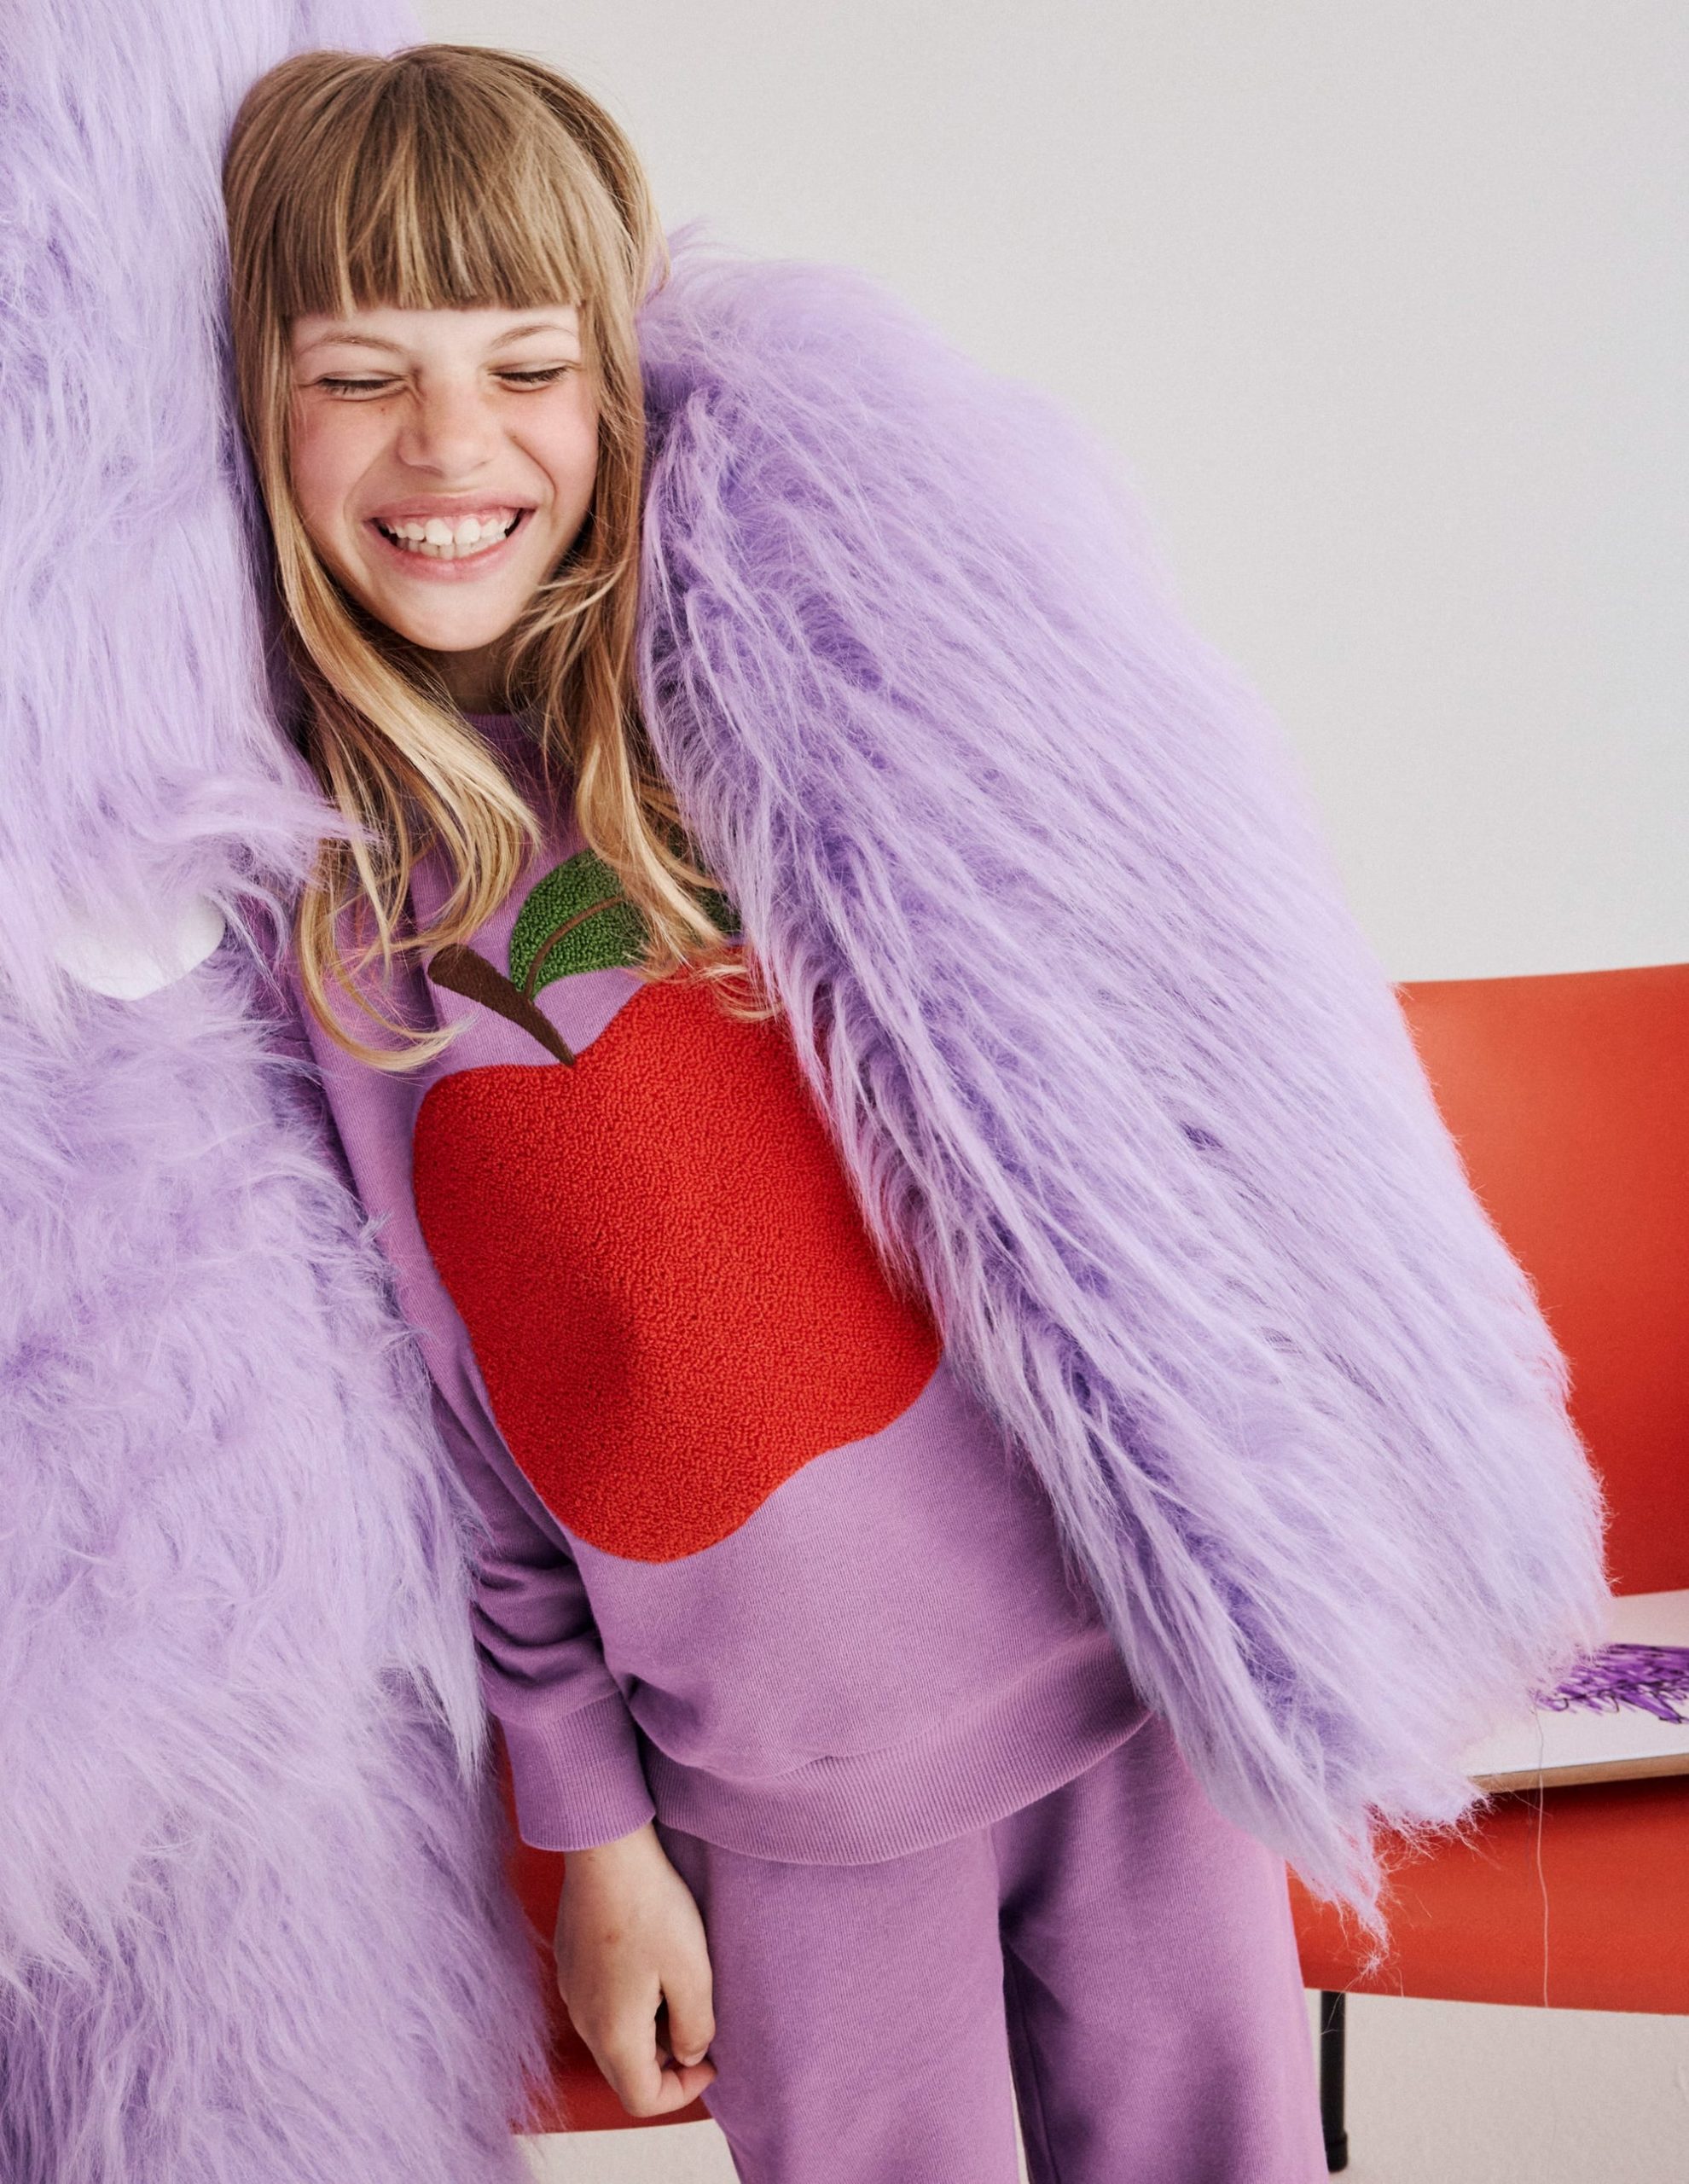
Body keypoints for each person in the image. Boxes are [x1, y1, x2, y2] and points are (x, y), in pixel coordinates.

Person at [220, 41, 1607, 2184]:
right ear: (257, 403)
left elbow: (1135, 1100)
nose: (453, 443)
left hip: (1122, 1681)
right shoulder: (317, 920)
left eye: (526, 364)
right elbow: (455, 1424)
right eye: (361, 374)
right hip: (781, 1798)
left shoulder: (774, 709)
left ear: (619, 378)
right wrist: (597, 1828)